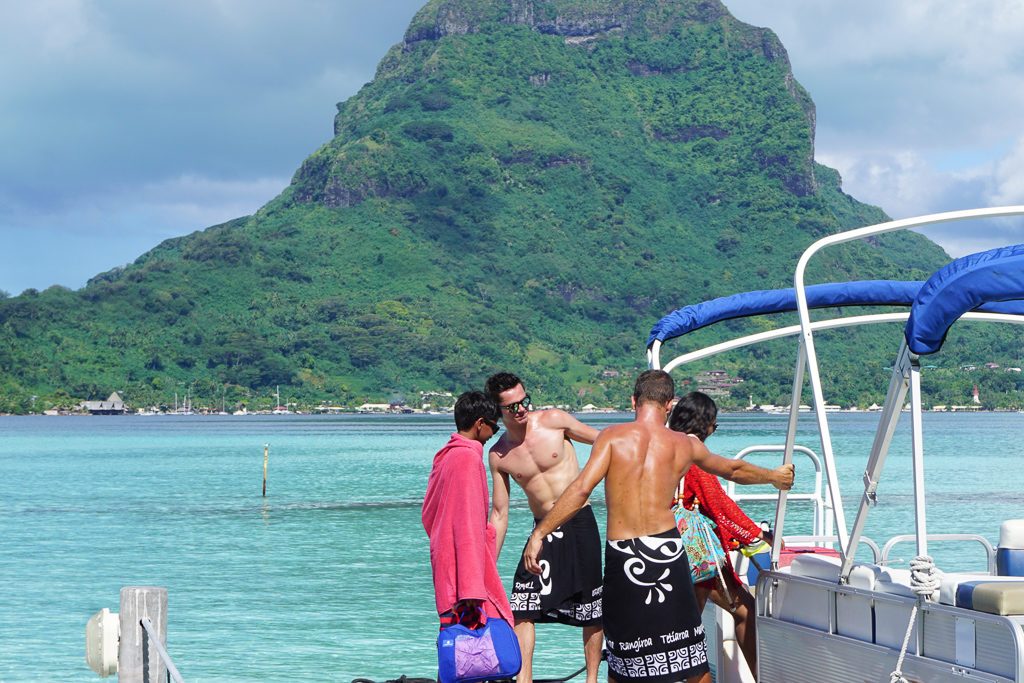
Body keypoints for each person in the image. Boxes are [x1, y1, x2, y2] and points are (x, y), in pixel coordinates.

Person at [523, 370, 794, 683]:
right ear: (669, 405)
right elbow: (734, 469)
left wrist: (539, 533)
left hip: (624, 556)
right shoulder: (683, 445)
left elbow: (581, 488)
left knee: (625, 656)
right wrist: (774, 477)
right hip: (667, 551)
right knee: (690, 655)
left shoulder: (612, 436)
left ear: (634, 401)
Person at [484, 372, 603, 683]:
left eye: (524, 401)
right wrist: (486, 565)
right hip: (542, 529)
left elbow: (605, 442)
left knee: (592, 608)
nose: (522, 409)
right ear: (499, 410)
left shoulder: (554, 421)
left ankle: (592, 679)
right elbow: (499, 512)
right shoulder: (498, 455)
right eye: (512, 406)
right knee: (521, 604)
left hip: (579, 522)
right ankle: (525, 679)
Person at [668, 391, 775, 679]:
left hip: (665, 549)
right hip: (696, 555)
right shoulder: (693, 453)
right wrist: (759, 535)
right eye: (714, 424)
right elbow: (721, 508)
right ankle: (758, 677)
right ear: (705, 424)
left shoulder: (664, 445)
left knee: (683, 626)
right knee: (742, 612)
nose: (714, 431)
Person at [422, 390, 512, 631]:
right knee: (474, 651)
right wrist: (472, 586)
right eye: (494, 428)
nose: (493, 435)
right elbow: (468, 526)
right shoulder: (467, 459)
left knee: (455, 648)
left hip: (447, 568)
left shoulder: (445, 456)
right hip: (465, 579)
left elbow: (428, 515)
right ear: (480, 424)